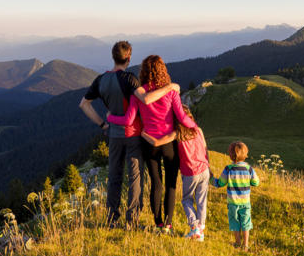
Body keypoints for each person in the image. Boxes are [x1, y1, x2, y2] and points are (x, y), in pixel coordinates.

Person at [79, 42, 179, 228]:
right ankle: (132, 221)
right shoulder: (129, 78)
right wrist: (170, 87)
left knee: (114, 176)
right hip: (133, 135)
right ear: (129, 57)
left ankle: (111, 219)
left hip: (114, 135)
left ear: (113, 56)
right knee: (135, 178)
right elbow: (147, 99)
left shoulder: (100, 80)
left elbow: (84, 104)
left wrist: (103, 123)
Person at [107, 55, 197, 234]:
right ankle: (168, 224)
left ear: (144, 72)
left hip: (148, 142)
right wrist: (196, 128)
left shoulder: (140, 93)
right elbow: (181, 117)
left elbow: (129, 119)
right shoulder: (171, 92)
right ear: (163, 70)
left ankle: (158, 223)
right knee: (171, 183)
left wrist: (109, 117)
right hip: (169, 143)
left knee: (156, 183)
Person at [141, 105, 210, 241]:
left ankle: (194, 227)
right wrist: (209, 167)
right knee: (202, 200)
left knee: (187, 200)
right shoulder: (198, 130)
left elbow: (156, 143)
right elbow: (205, 149)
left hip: (191, 173)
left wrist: (144, 134)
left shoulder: (177, 134)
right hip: (204, 170)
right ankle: (201, 229)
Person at [211, 141, 259, 251]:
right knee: (246, 222)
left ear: (230, 155)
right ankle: (245, 245)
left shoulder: (228, 169)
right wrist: (249, 182)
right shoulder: (248, 168)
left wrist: (211, 178)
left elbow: (220, 183)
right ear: (245, 154)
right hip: (245, 202)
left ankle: (237, 243)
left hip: (232, 202)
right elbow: (256, 182)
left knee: (235, 222)